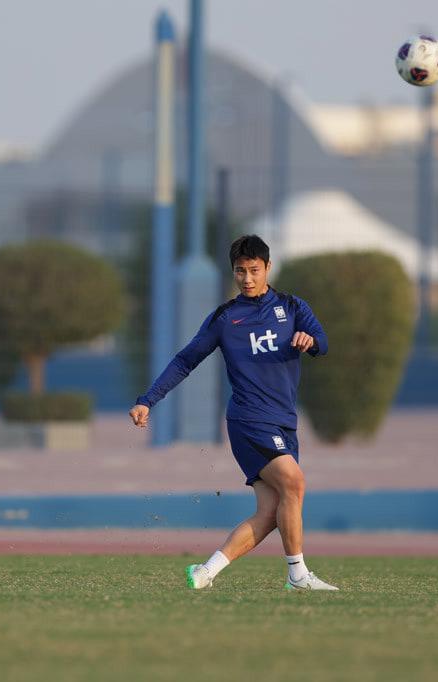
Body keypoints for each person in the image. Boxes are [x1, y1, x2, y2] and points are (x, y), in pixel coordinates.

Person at [129, 235, 338, 591]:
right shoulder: (226, 318)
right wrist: (148, 400)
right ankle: (298, 575)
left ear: (268, 267)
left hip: (284, 422)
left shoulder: (292, 307)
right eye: (240, 271)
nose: (247, 278)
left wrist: (311, 341)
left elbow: (323, 342)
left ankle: (205, 572)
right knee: (294, 482)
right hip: (249, 420)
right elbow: (186, 360)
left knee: (271, 512)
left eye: (254, 270)